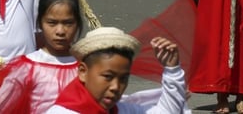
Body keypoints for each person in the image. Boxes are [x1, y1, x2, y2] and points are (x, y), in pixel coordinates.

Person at [47, 28, 188, 113]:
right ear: (83, 72)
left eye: (123, 79)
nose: (116, 87)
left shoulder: (121, 110)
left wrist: (172, 70)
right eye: (108, 76)